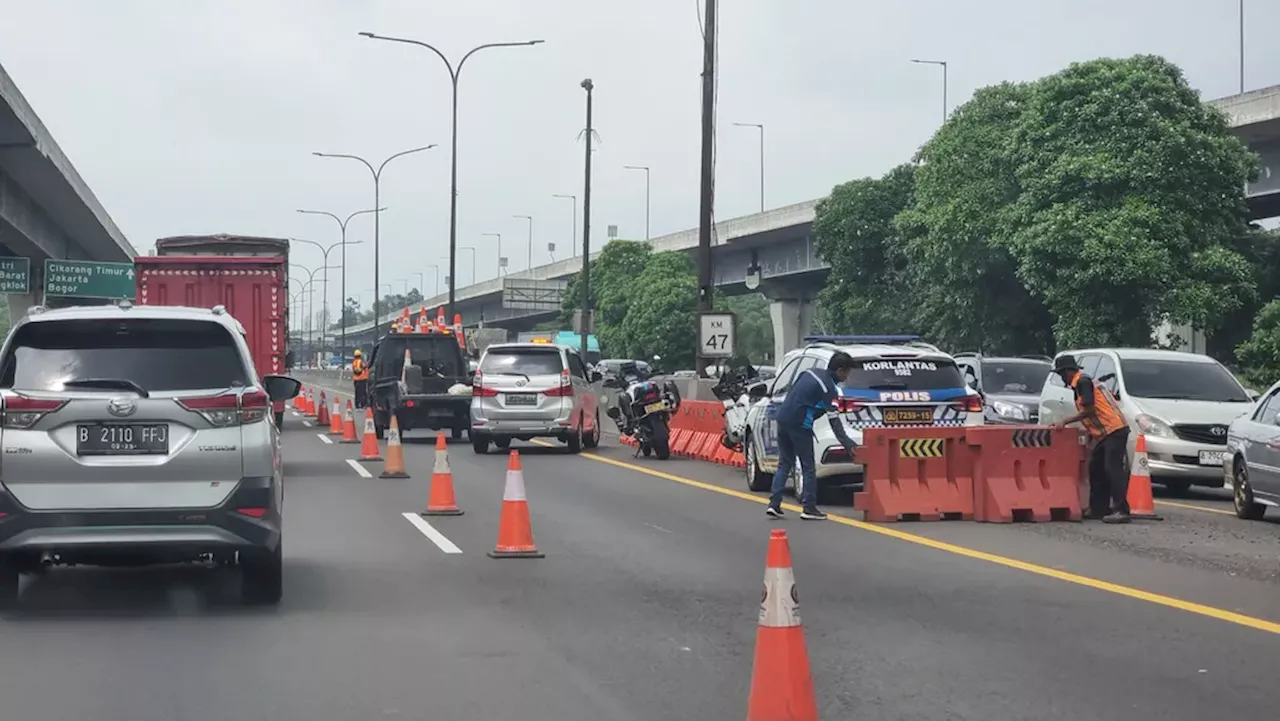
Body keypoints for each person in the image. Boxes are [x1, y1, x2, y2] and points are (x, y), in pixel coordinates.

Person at [766, 352, 859, 521]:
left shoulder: (809, 372)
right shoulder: (828, 388)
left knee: (784, 464)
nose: (847, 376)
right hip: (800, 425)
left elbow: (796, 393)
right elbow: (834, 421)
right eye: (847, 372)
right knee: (808, 466)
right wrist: (847, 443)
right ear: (839, 370)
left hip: (782, 418)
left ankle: (774, 504)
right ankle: (809, 507)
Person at [1049, 354, 1131, 524]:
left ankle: (1121, 510)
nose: (1061, 378)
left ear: (1068, 371)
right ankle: (1099, 509)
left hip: (1114, 430)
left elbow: (1089, 410)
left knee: (1112, 468)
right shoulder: (1081, 383)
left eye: (1061, 374)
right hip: (1106, 432)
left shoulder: (1082, 382)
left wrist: (1064, 421)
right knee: (1096, 468)